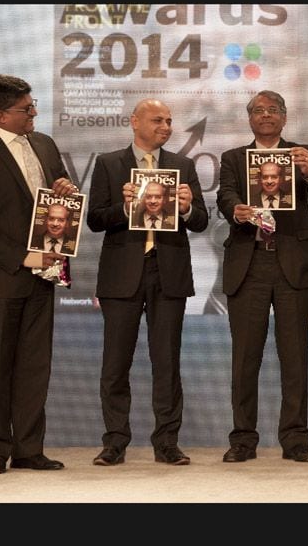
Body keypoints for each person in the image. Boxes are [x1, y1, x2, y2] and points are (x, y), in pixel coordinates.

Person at [0, 74, 76, 474]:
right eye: (26, 108)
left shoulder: (44, 144)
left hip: (45, 276)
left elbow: (54, 202)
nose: (35, 112)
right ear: (1, 114)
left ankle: (28, 448)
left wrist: (65, 192)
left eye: (33, 103)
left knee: (35, 365)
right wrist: (24, 258)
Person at [87, 98, 208, 466]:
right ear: (134, 121)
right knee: (115, 363)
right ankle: (114, 442)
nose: (166, 126)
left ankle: (167, 442)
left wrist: (186, 208)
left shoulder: (182, 166)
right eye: (158, 120)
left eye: (170, 121)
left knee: (167, 360)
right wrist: (124, 209)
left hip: (168, 272)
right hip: (122, 274)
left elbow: (201, 220)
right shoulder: (109, 164)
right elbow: (94, 219)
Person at [217, 90, 308, 464]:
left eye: (273, 110)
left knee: (294, 356)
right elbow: (225, 196)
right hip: (249, 264)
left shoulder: (301, 152)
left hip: (292, 264)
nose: (266, 115)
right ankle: (242, 440)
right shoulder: (234, 158)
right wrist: (237, 210)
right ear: (250, 118)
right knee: (244, 358)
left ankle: (296, 440)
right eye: (258, 111)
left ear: (284, 116)